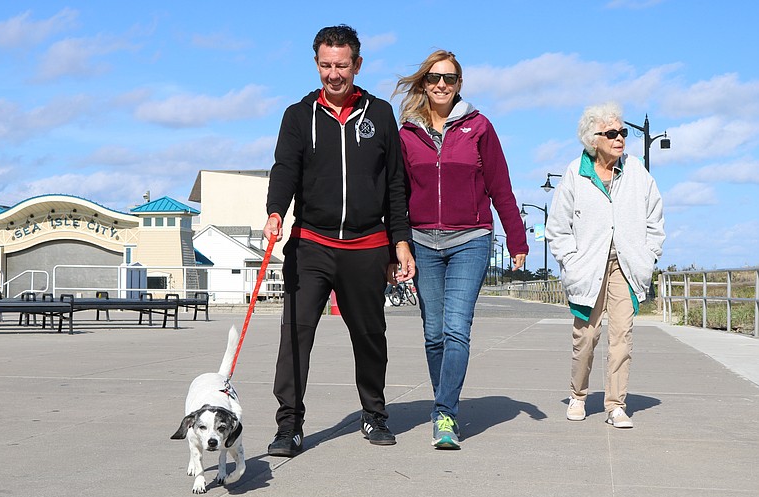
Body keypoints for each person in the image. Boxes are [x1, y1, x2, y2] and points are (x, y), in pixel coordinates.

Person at [263, 25, 415, 457]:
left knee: (370, 335)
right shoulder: (298, 115)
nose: (334, 74)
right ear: (317, 65)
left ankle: (374, 414)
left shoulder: (380, 114)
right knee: (296, 334)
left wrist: (399, 243)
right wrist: (275, 211)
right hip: (311, 243)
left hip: (368, 246)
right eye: (326, 65)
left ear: (358, 65)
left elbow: (396, 187)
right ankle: (289, 426)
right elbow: (284, 170)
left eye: (342, 65)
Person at [394, 50, 528, 449]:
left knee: (456, 329)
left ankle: (445, 414)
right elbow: (396, 194)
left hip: (470, 238)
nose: (441, 85)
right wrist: (394, 245)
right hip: (421, 240)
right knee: (433, 332)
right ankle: (445, 403)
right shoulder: (406, 133)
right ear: (424, 82)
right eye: (434, 78)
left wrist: (517, 239)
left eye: (449, 79)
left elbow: (501, 186)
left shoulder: (479, 127)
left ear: (459, 85)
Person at [545, 102, 665, 429]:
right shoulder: (575, 172)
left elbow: (655, 217)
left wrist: (649, 252)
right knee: (586, 336)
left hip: (625, 267)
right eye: (611, 133)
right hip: (588, 268)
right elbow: (557, 227)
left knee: (622, 336)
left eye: (623, 132)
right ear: (592, 139)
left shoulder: (636, 171)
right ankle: (578, 395)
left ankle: (615, 405)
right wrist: (570, 262)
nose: (620, 138)